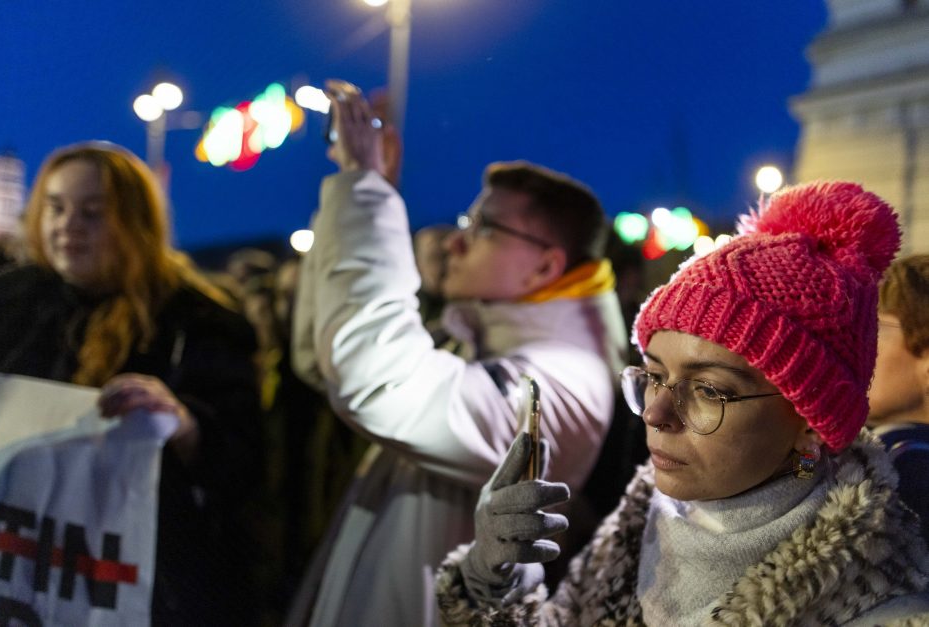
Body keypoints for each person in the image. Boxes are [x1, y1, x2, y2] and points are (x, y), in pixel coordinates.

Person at [437, 181, 929, 625]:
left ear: (808, 420)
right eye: (653, 375)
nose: (654, 413)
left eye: (708, 389)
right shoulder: (644, 518)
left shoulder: (879, 608)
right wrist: (492, 579)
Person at [287, 80, 628, 627]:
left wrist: (367, 192)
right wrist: (359, 199)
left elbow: (373, 379)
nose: (455, 241)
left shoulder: (563, 383)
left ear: (545, 267)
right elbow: (321, 359)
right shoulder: (483, 343)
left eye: (482, 227)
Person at [0, 141, 263, 626]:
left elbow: (244, 465)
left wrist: (182, 423)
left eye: (92, 212)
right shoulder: (7, 303)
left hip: (144, 583)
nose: (68, 225)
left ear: (135, 222)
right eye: (55, 207)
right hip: (14, 567)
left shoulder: (196, 322)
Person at [868, 254, 929, 542]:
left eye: (875, 330)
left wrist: (803, 453)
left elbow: (800, 486)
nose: (859, 346)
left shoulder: (900, 464)